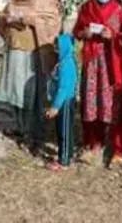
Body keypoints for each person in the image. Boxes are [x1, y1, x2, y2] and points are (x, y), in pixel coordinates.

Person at [0, 0, 61, 149]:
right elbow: (2, 19)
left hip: (35, 54)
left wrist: (32, 20)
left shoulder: (46, 0)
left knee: (30, 93)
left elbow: (53, 24)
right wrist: (8, 19)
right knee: (14, 92)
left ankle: (34, 132)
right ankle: (19, 126)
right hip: (15, 50)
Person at [72, 0, 122, 166]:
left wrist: (113, 35)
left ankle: (118, 149)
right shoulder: (86, 8)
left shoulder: (120, 11)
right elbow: (76, 31)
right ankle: (93, 144)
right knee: (92, 104)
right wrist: (85, 33)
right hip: (92, 64)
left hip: (112, 63)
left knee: (113, 105)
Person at [45, 32, 78, 172]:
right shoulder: (66, 61)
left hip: (63, 102)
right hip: (66, 101)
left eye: (58, 46)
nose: (55, 49)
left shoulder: (66, 66)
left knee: (63, 131)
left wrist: (55, 106)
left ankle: (63, 161)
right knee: (66, 130)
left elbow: (63, 88)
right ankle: (68, 155)